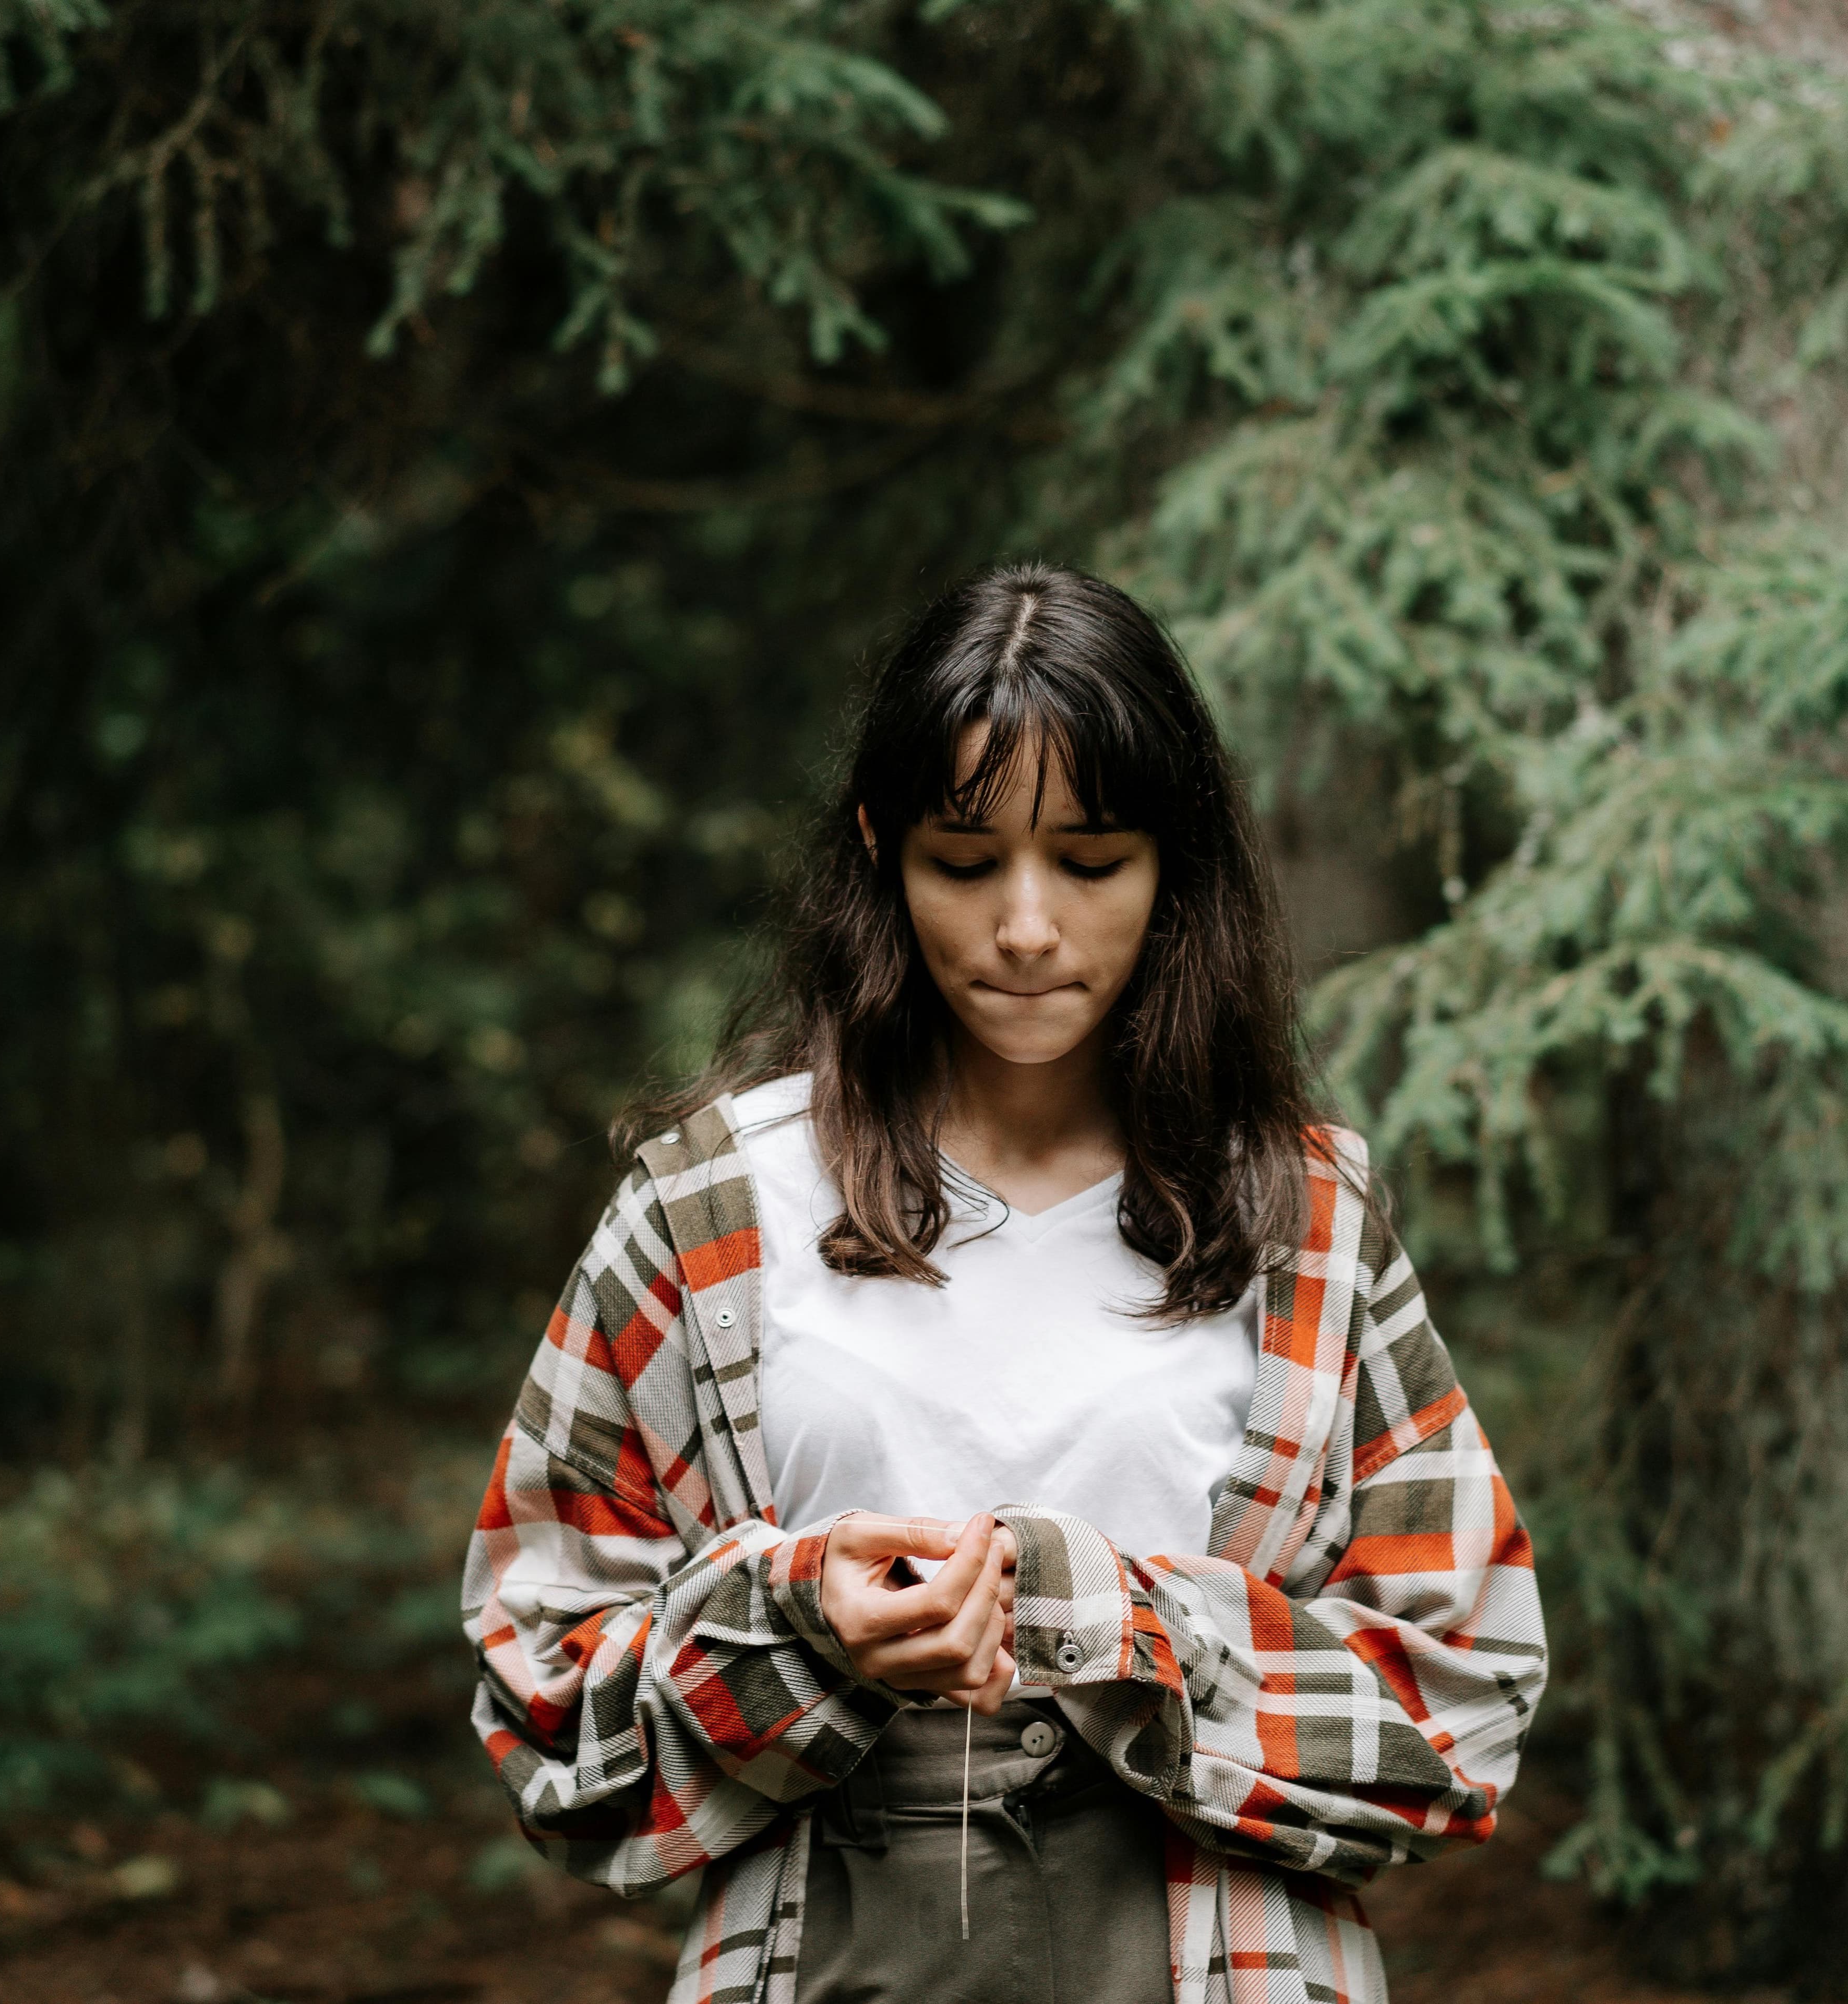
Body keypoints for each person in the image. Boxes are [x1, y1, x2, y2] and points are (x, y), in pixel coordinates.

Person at [461, 562, 1546, 2004]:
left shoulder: (1302, 1216)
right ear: (880, 847)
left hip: (1223, 1957)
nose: (1026, 928)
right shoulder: (716, 1207)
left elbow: (1459, 1700)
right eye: (964, 863)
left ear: (1176, 864)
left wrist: (1122, 1624)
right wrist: (801, 1629)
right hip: (828, 1947)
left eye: (1091, 861)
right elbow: (541, 1697)